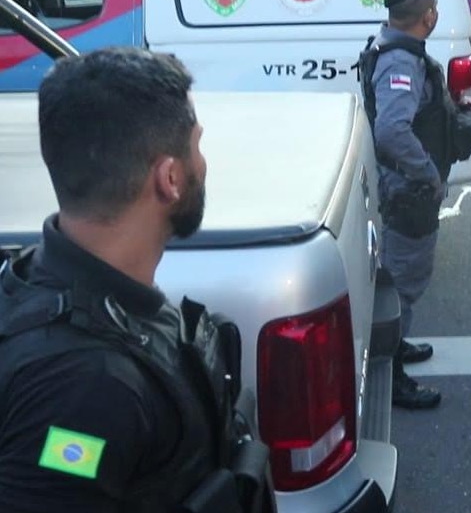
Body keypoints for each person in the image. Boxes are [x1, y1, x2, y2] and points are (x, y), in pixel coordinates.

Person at [0, 48, 272, 511]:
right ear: (169, 178)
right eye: (196, 146)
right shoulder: (85, 388)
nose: (202, 163)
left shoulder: (44, 278)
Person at [359, 0, 471, 409]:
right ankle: (391, 375)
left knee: (403, 278)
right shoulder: (400, 62)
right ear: (429, 15)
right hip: (410, 190)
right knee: (402, 283)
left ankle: (397, 344)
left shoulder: (391, 47)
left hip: (406, 186)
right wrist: (427, 173)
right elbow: (391, 130)